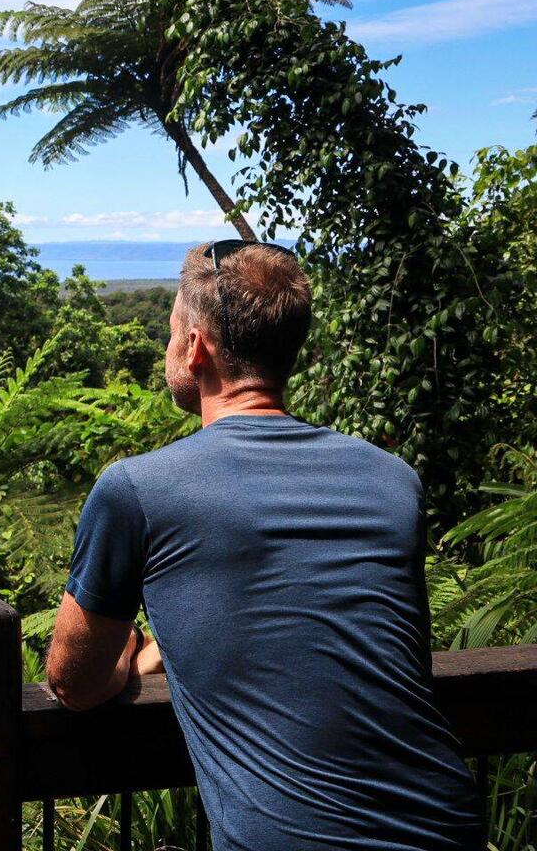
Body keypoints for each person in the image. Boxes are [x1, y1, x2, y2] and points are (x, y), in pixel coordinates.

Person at [46, 240, 481, 851]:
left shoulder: (137, 489)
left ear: (195, 348)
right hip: (446, 824)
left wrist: (136, 648)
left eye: (172, 331)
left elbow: (74, 683)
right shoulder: (390, 479)